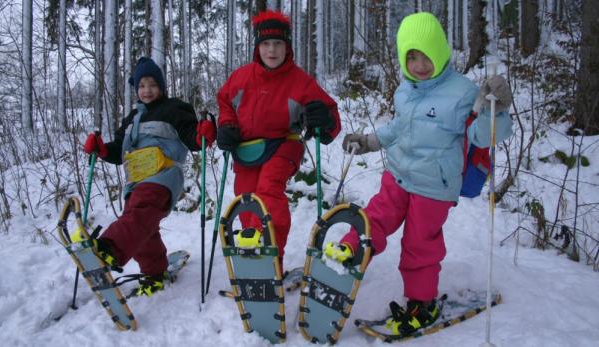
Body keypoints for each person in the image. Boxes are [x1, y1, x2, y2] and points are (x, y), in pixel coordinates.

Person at [324, 12, 513, 336]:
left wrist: (497, 109)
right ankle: (350, 248)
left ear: (440, 51)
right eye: (411, 56)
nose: (420, 64)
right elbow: (399, 127)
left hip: (434, 187)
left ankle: (421, 303)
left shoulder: (463, 93)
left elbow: (484, 137)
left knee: (418, 244)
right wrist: (370, 141)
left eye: (426, 55)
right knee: (375, 217)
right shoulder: (406, 90)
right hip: (398, 173)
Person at [216, 10, 341, 271]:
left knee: (269, 186)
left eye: (278, 43)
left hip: (285, 143)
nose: (272, 50)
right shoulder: (240, 78)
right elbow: (224, 102)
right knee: (246, 196)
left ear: (287, 47)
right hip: (247, 148)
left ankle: (270, 252)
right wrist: (226, 125)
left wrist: (324, 121)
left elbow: (330, 113)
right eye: (265, 44)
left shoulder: (300, 81)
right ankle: (253, 254)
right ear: (257, 47)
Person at [82, 57, 216, 296]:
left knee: (140, 216)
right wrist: (101, 149)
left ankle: (109, 247)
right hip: (136, 180)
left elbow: (190, 136)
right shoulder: (132, 118)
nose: (147, 90)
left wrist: (201, 135)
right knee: (142, 227)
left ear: (162, 87)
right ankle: (154, 273)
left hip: (163, 176)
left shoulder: (175, 109)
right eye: (142, 85)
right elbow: (118, 150)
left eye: (152, 84)